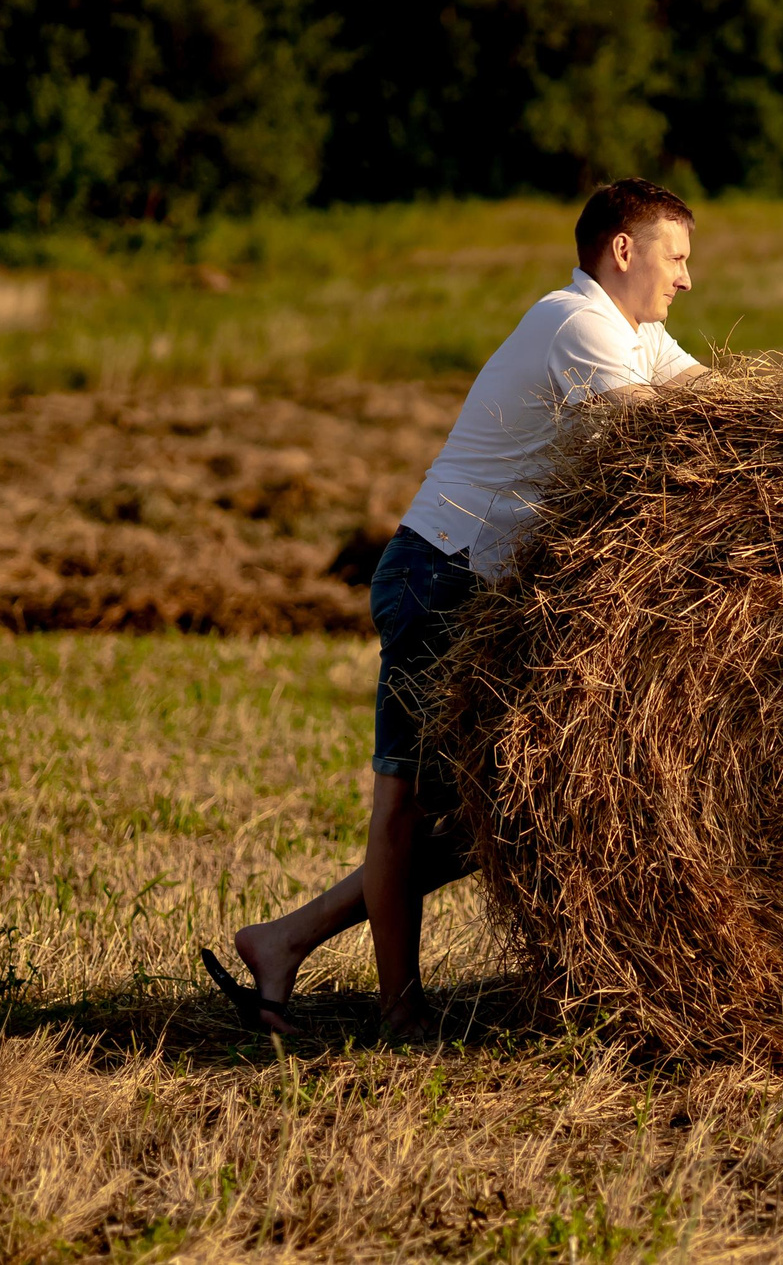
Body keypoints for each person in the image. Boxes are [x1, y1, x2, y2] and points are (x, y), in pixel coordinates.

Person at [203, 178, 710, 1037]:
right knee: (405, 803)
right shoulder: (576, 323)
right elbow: (655, 438)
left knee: (498, 808)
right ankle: (397, 1009)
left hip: (485, 593)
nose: (687, 280)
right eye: (678, 256)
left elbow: (724, 411)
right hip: (439, 574)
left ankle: (283, 940)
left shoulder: (635, 336)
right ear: (624, 249)